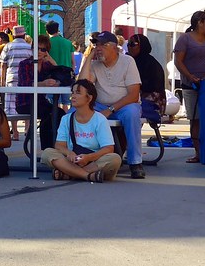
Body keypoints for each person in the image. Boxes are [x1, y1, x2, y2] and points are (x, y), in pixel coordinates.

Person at [78, 31, 146, 179]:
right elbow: (82, 86)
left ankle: (135, 162)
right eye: (96, 45)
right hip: (100, 105)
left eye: (103, 45)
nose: (99, 48)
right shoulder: (95, 64)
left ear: (115, 47)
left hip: (125, 105)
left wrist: (110, 110)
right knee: (75, 112)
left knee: (132, 113)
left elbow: (134, 95)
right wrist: (89, 57)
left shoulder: (128, 62)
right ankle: (78, 155)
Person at [40, 79, 122, 182]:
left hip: (93, 161)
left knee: (114, 159)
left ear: (89, 98)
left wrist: (89, 157)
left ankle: (69, 173)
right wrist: (69, 153)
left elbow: (108, 148)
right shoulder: (66, 119)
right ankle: (88, 176)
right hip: (73, 160)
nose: (73, 96)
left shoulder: (100, 119)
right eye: (72, 92)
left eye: (78, 93)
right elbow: (59, 145)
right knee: (47, 153)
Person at [174, 11, 205, 164]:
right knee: (195, 120)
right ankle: (198, 153)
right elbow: (179, 61)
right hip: (191, 86)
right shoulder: (185, 39)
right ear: (199, 23)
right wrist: (190, 76)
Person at [0, 24, 33, 139]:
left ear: (13, 36)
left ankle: (15, 132)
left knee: (11, 105)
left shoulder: (8, 46)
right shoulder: (29, 47)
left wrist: (2, 81)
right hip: (26, 80)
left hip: (11, 78)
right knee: (27, 103)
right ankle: (27, 129)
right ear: (24, 35)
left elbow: (3, 65)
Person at [127, 33, 165, 120]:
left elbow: (144, 86)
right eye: (128, 44)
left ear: (141, 46)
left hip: (152, 105)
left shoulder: (147, 63)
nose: (129, 47)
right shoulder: (132, 61)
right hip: (139, 100)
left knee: (126, 110)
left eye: (132, 44)